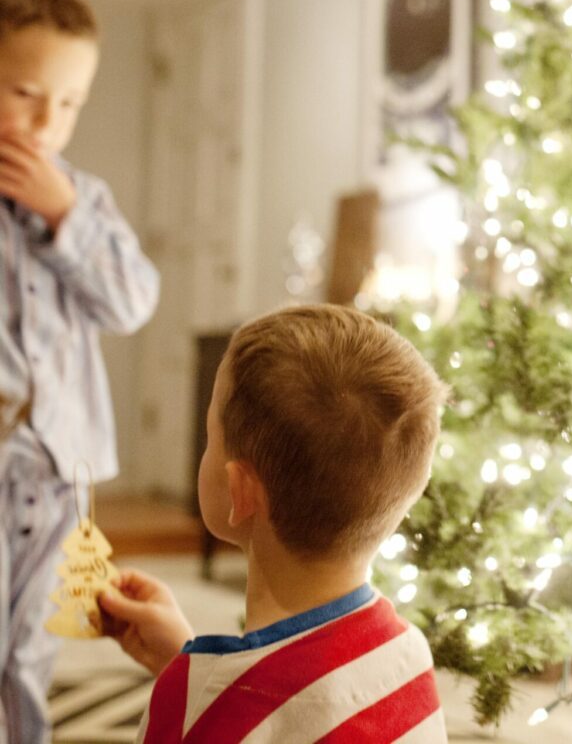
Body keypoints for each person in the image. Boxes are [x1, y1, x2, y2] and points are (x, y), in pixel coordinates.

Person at [99, 304, 449, 743]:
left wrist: (191, 689)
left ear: (239, 491)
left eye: (211, 437)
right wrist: (187, 665)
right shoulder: (406, 652)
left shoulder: (188, 704)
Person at [0, 0, 160, 743]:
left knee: (32, 642)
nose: (46, 121)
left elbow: (132, 302)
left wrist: (63, 215)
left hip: (60, 468)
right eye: (27, 92)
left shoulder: (84, 199)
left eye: (68, 103)